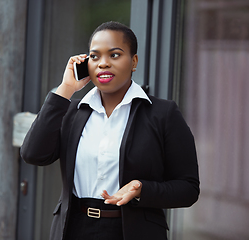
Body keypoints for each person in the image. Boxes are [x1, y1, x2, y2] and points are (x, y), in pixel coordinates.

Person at [20, 21, 199, 240]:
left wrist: (141, 188)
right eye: (95, 57)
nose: (103, 63)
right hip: (74, 230)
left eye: (114, 55)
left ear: (134, 61)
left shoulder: (162, 114)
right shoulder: (73, 111)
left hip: (132, 232)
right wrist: (65, 90)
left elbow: (188, 188)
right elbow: (33, 154)